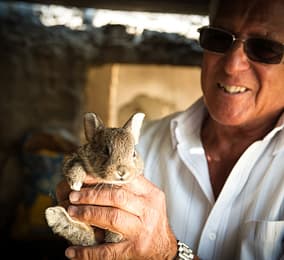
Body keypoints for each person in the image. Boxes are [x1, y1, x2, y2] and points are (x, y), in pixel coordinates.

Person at [55, 0, 284, 259]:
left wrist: (168, 254)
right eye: (219, 39)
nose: (232, 65)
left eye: (265, 48)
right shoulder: (145, 146)